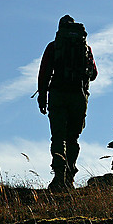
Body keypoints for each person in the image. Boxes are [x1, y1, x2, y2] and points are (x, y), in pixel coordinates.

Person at [37, 15, 98, 191]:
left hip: (58, 95)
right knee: (73, 138)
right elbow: (93, 74)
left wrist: (43, 97)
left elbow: (44, 73)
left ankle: (58, 178)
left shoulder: (54, 46)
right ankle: (70, 179)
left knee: (58, 137)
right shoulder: (85, 48)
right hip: (79, 97)